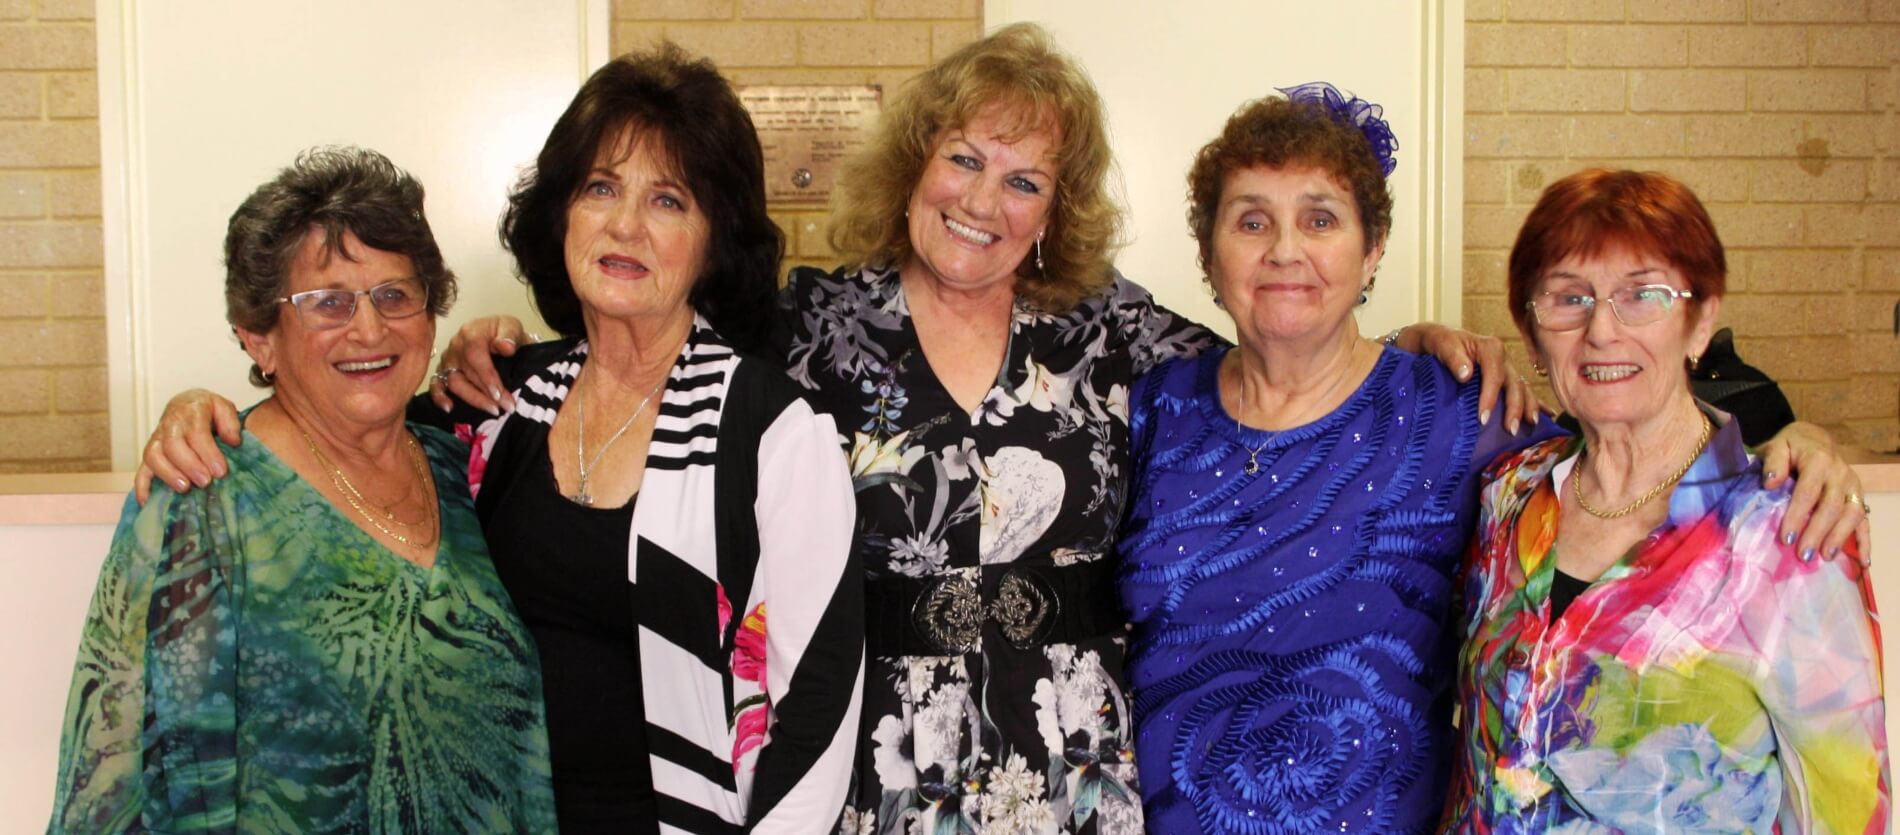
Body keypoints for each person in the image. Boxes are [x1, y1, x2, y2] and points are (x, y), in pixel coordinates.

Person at [129, 48, 864, 833]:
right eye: (601, 188)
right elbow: (338, 425)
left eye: (669, 201)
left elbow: (820, 716)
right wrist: (202, 412)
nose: (625, 225)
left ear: (714, 239)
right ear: (562, 214)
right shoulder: (500, 400)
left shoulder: (772, 433)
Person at [1115, 92, 1872, 835]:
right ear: (1209, 254)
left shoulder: (1460, 420)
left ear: (1373, 248)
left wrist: (1799, 437)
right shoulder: (1151, 413)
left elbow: (1640, 434)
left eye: (1320, 219)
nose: (1285, 249)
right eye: (1252, 220)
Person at [49, 147, 557, 832]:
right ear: (259, 337)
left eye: (394, 294)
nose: (370, 327)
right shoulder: (203, 496)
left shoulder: (459, 464)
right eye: (328, 302)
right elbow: (120, 780)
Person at [1444, 169, 1888, 832]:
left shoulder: (1788, 537)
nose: (1602, 330)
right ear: (1532, 333)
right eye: (1570, 298)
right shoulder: (1508, 492)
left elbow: (1846, 807)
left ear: (1700, 320)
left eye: (1642, 295)